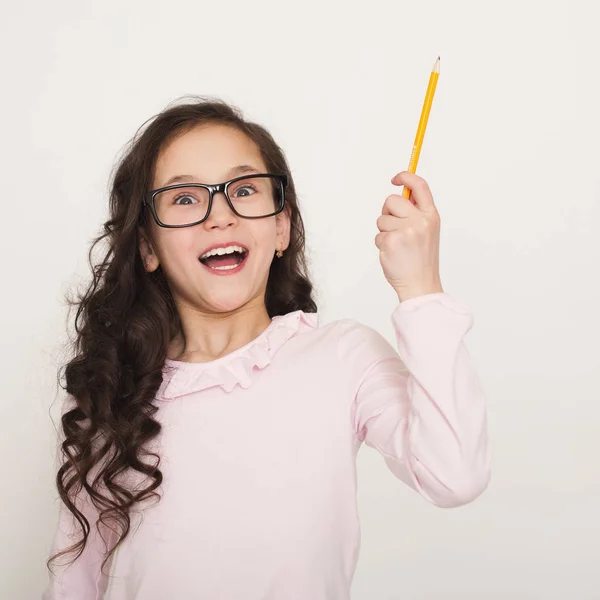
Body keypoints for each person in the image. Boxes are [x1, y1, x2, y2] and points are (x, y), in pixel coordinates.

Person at [42, 96, 491, 600]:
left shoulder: (343, 358)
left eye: (245, 189)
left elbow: (455, 475)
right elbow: (74, 582)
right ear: (147, 246)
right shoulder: (110, 390)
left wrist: (421, 287)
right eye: (185, 198)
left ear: (281, 227)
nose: (220, 217)